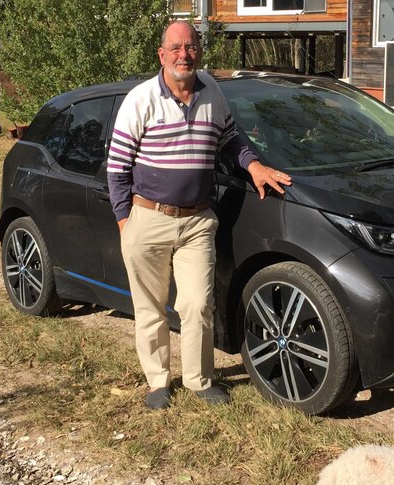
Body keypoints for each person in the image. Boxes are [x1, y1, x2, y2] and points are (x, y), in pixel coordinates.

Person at [106, 21, 292, 409]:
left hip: (197, 221)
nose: (183, 55)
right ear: (162, 54)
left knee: (196, 305)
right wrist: (127, 222)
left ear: (199, 51)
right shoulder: (140, 100)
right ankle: (158, 382)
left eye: (190, 47)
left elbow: (230, 139)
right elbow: (117, 167)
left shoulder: (212, 92)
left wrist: (253, 165)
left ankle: (199, 380)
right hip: (147, 218)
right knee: (150, 306)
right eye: (175, 47)